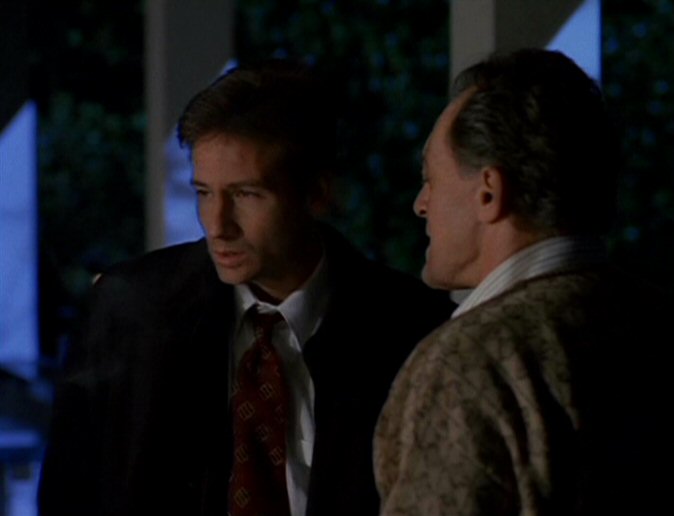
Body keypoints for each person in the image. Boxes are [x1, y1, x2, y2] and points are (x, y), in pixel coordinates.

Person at [38, 59, 453, 516]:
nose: (217, 225)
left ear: (317, 193)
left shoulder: (412, 327)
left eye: (246, 194)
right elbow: (68, 493)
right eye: (204, 193)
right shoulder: (130, 312)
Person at [374, 48, 672, 516]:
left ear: (489, 193)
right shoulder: (659, 319)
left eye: (431, 179)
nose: (420, 204)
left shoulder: (470, 363)